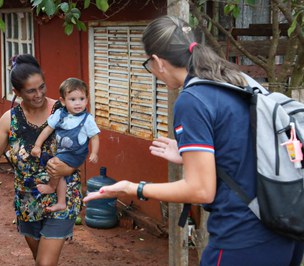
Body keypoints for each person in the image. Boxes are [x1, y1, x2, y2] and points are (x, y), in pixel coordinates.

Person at [83, 16, 304, 265]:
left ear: (157, 61)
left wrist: (133, 188)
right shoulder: (233, 79)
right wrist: (193, 156)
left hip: (242, 236)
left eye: (149, 65)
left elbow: (201, 190)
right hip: (283, 227)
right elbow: (243, 148)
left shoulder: (193, 99)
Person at [0, 54, 83, 265]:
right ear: (17, 92)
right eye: (31, 90)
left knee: (45, 262)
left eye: (42, 87)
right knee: (39, 259)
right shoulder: (9, 120)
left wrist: (67, 169)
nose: (39, 94)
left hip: (62, 195)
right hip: (27, 201)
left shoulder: (64, 111)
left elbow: (80, 149)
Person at [31, 77, 100, 212]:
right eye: (72, 99)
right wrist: (37, 145)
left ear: (87, 99)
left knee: (54, 163)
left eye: (82, 99)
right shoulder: (59, 114)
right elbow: (47, 129)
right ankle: (61, 202)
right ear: (63, 101)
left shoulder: (87, 119)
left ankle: (52, 187)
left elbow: (95, 137)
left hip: (76, 153)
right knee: (58, 170)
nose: (78, 103)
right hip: (64, 151)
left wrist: (94, 152)